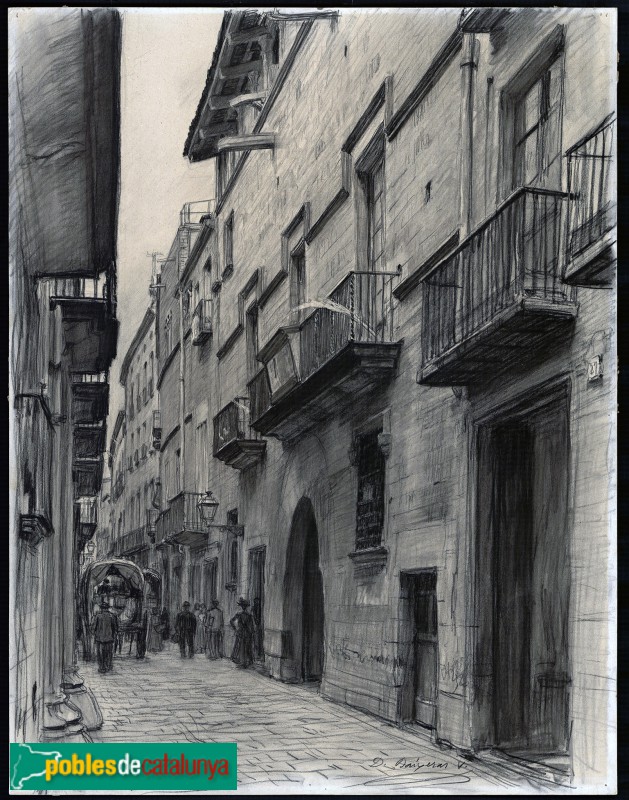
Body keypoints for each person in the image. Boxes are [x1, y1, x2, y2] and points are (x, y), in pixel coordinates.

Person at [92, 601, 119, 673]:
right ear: (107, 608)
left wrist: (95, 634)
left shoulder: (98, 616)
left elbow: (94, 627)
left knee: (100, 654)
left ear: (101, 608)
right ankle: (108, 666)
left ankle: (102, 667)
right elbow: (116, 628)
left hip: (100, 639)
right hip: (110, 638)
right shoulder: (113, 616)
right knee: (109, 653)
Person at [230, 598, 255, 668]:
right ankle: (245, 661)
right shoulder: (248, 615)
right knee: (245, 647)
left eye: (244, 606)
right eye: (243, 606)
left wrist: (235, 628)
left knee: (241, 646)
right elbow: (251, 627)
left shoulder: (240, 614)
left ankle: (242, 661)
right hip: (246, 633)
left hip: (241, 632)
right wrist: (251, 632)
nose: (243, 607)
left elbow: (231, 621)